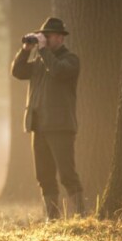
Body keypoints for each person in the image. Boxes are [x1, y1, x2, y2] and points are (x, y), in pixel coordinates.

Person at [11, 17, 86, 220]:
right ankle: (52, 220)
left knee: (67, 175)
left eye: (47, 36)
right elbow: (17, 71)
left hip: (60, 127)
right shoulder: (38, 62)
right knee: (44, 176)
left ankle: (80, 217)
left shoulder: (70, 60)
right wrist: (26, 50)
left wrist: (42, 50)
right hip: (39, 126)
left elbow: (58, 71)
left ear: (60, 38)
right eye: (42, 36)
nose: (43, 39)